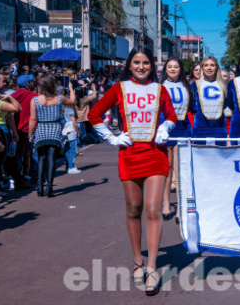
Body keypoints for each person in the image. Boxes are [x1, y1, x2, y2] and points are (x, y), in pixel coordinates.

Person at [88, 47, 177, 296]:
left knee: (152, 209)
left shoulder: (160, 90)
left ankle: (152, 266)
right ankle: (138, 259)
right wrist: (112, 137)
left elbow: (172, 116)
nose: (141, 66)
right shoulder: (119, 89)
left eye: (146, 63)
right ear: (130, 65)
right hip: (129, 156)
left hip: (155, 155)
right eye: (137, 62)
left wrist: (166, 127)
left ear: (152, 66)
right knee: (133, 210)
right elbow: (94, 114)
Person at [160, 57, 195, 221]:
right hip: (166, 131)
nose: (173, 69)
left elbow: (193, 108)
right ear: (165, 69)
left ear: (180, 69)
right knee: (167, 169)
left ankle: (181, 208)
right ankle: (166, 204)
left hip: (182, 129)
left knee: (181, 172)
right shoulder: (159, 87)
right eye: (170, 67)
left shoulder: (186, 86)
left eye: (176, 67)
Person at [28, 76, 75, 197]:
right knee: (51, 159)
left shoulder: (35, 100)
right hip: (55, 128)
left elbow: (33, 119)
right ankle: (49, 188)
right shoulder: (59, 98)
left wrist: (30, 133)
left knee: (41, 158)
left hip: (41, 129)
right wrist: (71, 89)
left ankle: (39, 187)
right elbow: (73, 102)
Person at [190, 57, 228, 146]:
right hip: (201, 126)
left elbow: (227, 103)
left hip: (219, 126)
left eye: (212, 65)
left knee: (219, 155)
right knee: (201, 155)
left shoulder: (223, 84)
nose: (209, 68)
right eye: (206, 65)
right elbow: (192, 104)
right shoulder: (195, 84)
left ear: (217, 68)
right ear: (202, 68)